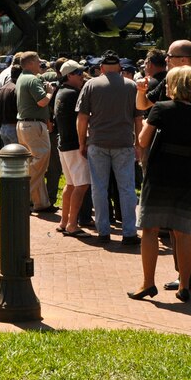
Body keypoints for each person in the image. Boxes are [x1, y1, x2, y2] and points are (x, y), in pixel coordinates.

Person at [130, 66, 191, 303]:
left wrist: (149, 122)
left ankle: (148, 283)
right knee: (182, 230)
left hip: (159, 174)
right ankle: (184, 285)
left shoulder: (161, 108)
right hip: (184, 174)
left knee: (150, 229)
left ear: (174, 86)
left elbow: (143, 140)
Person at [77, 50, 142, 245]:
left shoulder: (91, 85)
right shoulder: (131, 86)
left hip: (97, 142)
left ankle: (103, 231)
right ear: (120, 68)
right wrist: (139, 143)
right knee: (127, 188)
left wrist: (82, 142)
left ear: (102, 68)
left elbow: (82, 118)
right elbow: (138, 119)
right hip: (123, 143)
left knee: (99, 188)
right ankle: (129, 232)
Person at [15, 51, 56, 213]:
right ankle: (24, 197)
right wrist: (50, 92)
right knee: (39, 162)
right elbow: (42, 101)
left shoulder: (22, 78)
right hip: (33, 126)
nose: (41, 64)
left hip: (24, 125)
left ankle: (41, 203)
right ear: (31, 63)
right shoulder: (31, 79)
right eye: (38, 61)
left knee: (34, 162)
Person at [54, 60, 89, 236]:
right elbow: (81, 120)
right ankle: (72, 224)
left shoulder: (60, 92)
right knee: (81, 185)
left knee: (70, 184)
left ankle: (64, 221)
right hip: (74, 144)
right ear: (69, 75)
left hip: (64, 143)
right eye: (79, 73)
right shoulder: (73, 94)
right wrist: (84, 143)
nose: (82, 76)